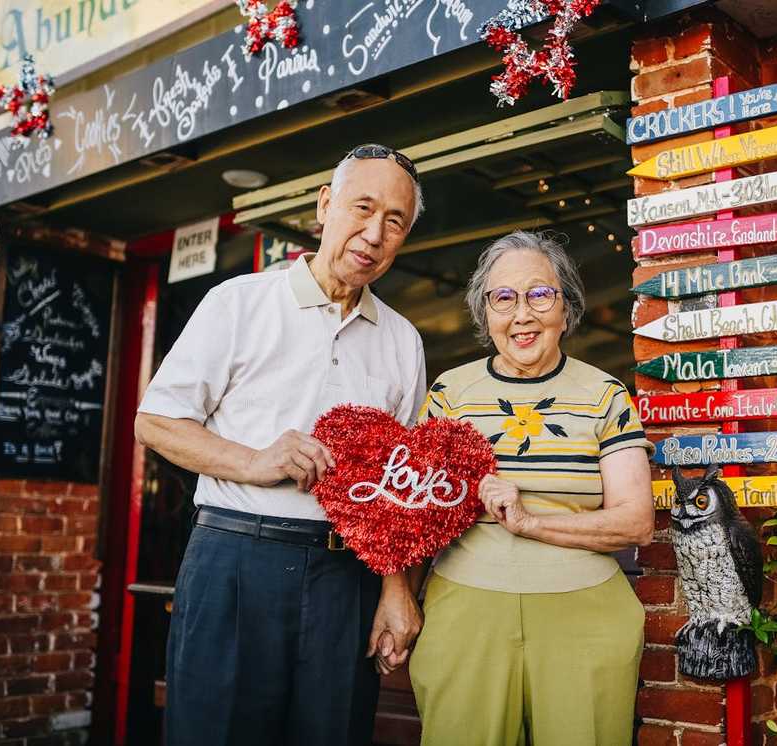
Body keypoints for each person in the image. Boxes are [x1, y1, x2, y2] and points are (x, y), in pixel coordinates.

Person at [134, 144, 427, 746]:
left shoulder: (403, 339)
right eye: (361, 208)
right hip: (236, 558)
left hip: (347, 577)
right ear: (325, 206)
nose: (373, 233)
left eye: (393, 221)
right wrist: (254, 460)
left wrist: (397, 590)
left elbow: (402, 487)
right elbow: (157, 422)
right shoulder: (239, 302)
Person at [410, 230, 656, 745]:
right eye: (504, 298)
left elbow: (636, 522)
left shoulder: (604, 395)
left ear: (566, 309)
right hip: (465, 611)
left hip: (585, 615)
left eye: (540, 294)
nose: (522, 314)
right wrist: (398, 597)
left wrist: (532, 523)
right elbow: (413, 515)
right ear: (485, 315)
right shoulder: (450, 395)